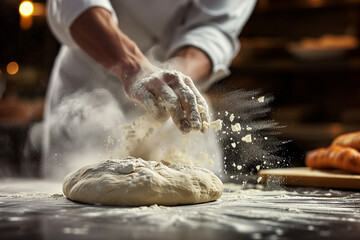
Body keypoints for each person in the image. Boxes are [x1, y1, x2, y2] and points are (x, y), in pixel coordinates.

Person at [44, 0, 257, 179]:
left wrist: (172, 79)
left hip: (173, 113)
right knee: (81, 212)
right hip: (89, 93)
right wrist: (133, 67)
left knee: (189, 220)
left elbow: (213, 28)